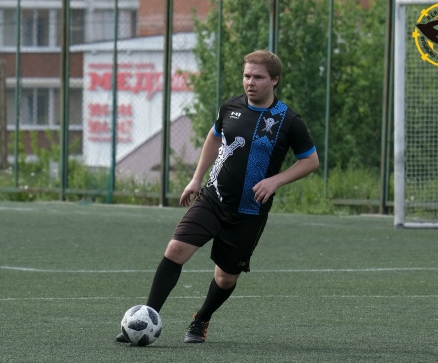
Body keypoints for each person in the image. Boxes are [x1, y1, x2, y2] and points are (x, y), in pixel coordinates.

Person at [116, 49, 319, 344]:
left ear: (274, 80)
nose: (250, 82)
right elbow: (214, 136)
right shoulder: (231, 107)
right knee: (175, 249)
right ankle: (145, 318)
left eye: (258, 77)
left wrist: (275, 181)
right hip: (214, 198)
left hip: (249, 211)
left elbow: (310, 161)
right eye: (246, 76)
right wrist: (196, 178)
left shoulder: (289, 121)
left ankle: (201, 319)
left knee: (225, 278)